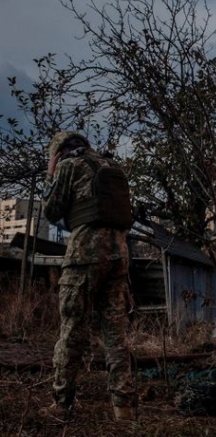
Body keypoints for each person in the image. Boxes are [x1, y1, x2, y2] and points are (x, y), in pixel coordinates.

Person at [41, 131, 137, 422]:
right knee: (115, 334)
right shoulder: (111, 167)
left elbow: (51, 210)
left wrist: (50, 174)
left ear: (58, 151)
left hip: (85, 256)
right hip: (119, 255)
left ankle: (61, 405)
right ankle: (123, 408)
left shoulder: (69, 166)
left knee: (72, 329)